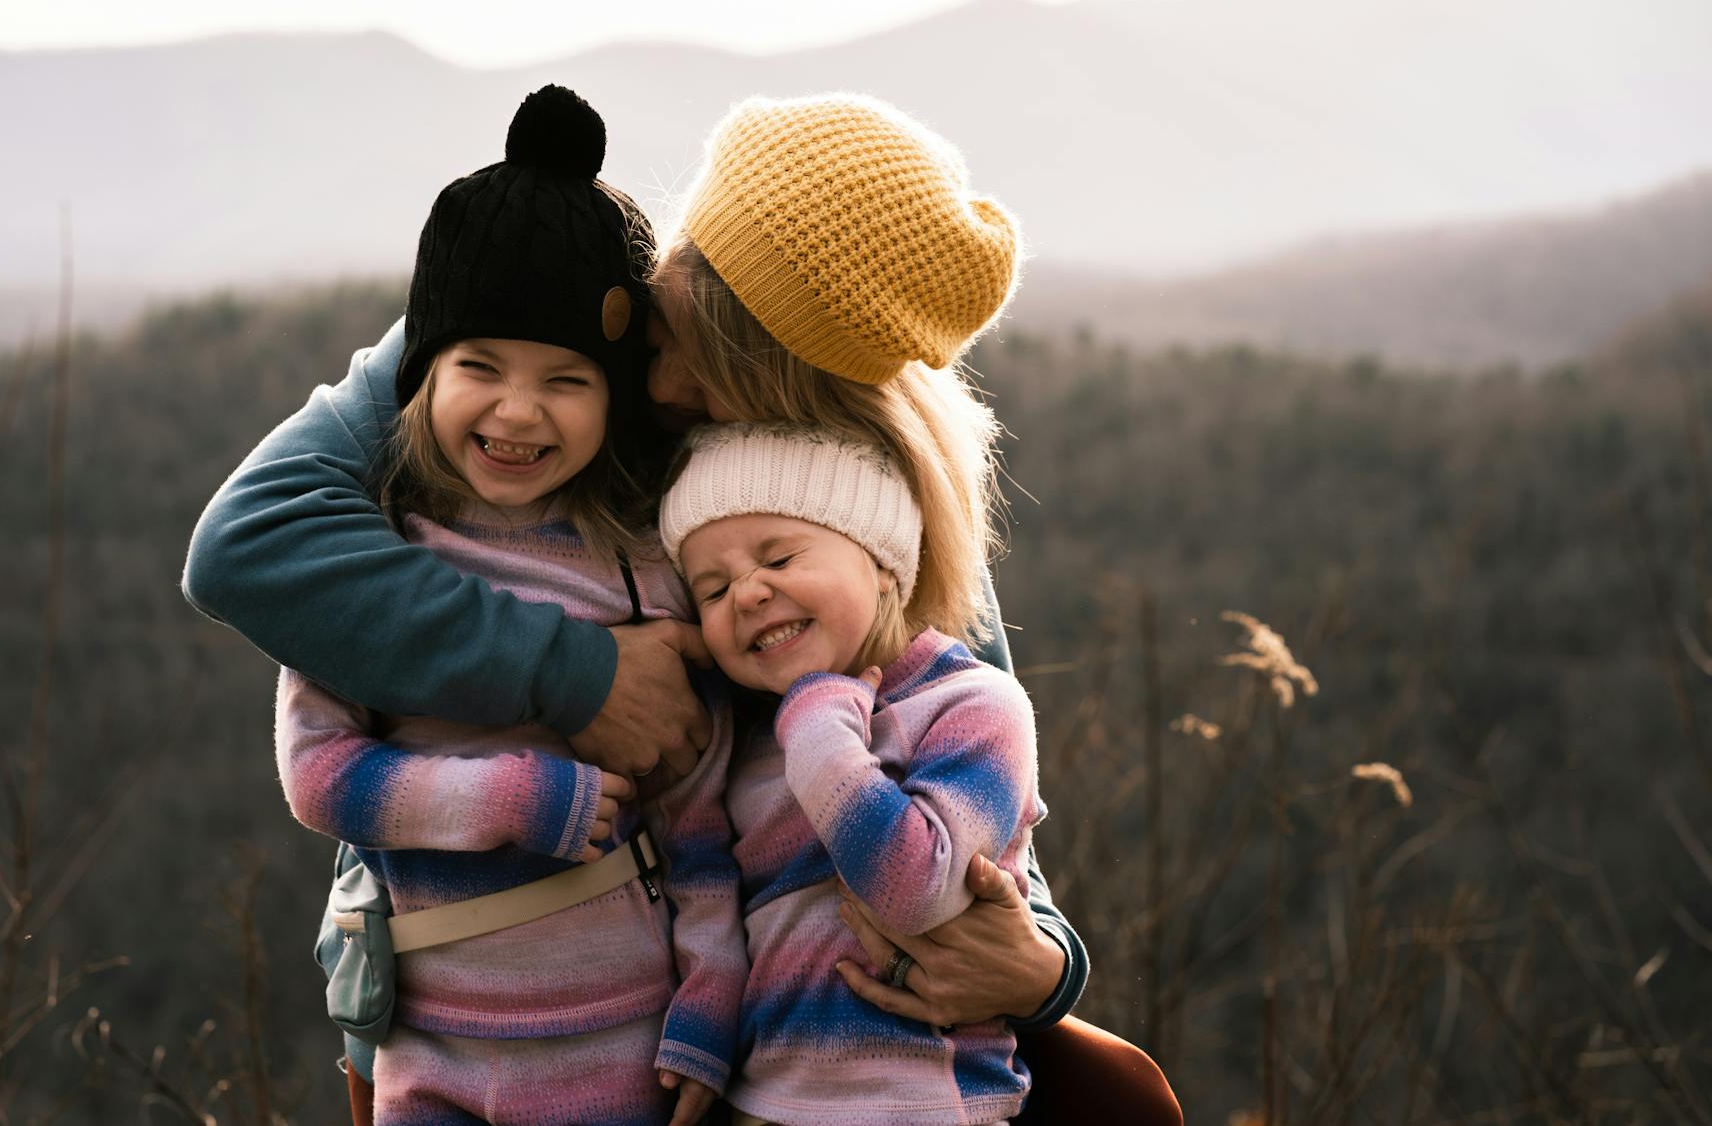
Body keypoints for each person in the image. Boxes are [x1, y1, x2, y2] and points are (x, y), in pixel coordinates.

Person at [184, 92, 1180, 1122]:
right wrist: (581, 675)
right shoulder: (524, 304)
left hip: (747, 1011)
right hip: (477, 974)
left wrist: (1039, 961)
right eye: (670, 316)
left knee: (1121, 1097)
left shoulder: (865, 492)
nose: (652, 374)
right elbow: (247, 544)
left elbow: (967, 745)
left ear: (798, 398)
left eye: (707, 368)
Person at [273, 85, 743, 1124]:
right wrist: (510, 799)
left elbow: (702, 817)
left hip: (619, 1044)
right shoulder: (376, 562)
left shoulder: (642, 568)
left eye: (566, 379)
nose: (518, 409)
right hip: (426, 1049)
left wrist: (710, 1001)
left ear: (614, 395)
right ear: (419, 375)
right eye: (477, 366)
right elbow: (317, 773)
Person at [660, 421, 1043, 1124]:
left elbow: (914, 889)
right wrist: (703, 1023)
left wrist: (817, 728)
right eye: (711, 590)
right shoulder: (752, 744)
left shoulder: (974, 706)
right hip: (762, 1101)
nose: (746, 594)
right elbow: (706, 883)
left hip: (921, 1100)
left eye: (778, 556)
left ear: (883, 560)